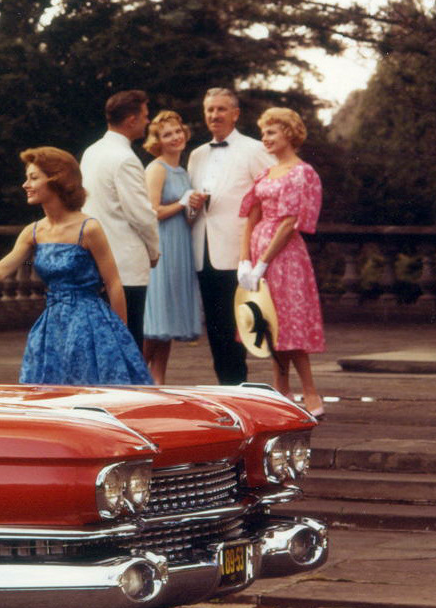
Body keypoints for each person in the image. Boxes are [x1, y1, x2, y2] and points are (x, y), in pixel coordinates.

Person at [0, 147, 152, 386]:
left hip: (91, 326)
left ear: (57, 180)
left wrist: (120, 336)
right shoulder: (34, 231)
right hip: (53, 328)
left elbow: (114, 283)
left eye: (34, 178)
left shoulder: (88, 228)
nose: (26, 184)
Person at [240, 107, 326, 417]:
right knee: (268, 323)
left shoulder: (301, 172)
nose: (265, 138)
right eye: (263, 132)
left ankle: (311, 392)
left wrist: (263, 261)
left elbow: (289, 222)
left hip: (285, 256)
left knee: (289, 323)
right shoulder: (266, 173)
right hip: (260, 252)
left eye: (271, 132)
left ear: (288, 133)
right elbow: (250, 216)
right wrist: (244, 261)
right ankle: (281, 390)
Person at [186, 88, 274, 384]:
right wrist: (191, 205)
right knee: (216, 327)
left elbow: (272, 196)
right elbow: (191, 210)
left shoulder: (253, 149)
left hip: (239, 252)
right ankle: (227, 387)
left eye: (221, 109)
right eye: (210, 110)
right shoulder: (196, 155)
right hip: (203, 250)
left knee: (243, 326)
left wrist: (257, 250)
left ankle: (242, 387)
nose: (215, 115)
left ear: (235, 114)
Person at [77, 90, 162, 344]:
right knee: (128, 341)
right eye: (145, 116)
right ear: (131, 120)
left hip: (95, 262)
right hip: (125, 266)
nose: (148, 122)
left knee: (103, 342)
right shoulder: (125, 159)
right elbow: (142, 216)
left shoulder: (92, 152)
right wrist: (154, 251)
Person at [140, 109, 203, 382]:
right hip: (162, 246)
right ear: (158, 141)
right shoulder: (156, 169)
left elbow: (186, 213)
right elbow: (150, 211)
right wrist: (182, 203)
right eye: (167, 134)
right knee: (155, 323)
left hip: (181, 245)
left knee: (166, 326)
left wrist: (194, 208)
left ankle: (158, 383)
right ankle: (132, 382)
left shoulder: (183, 171)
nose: (175, 137)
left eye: (178, 131)